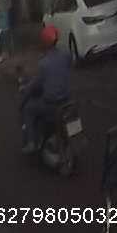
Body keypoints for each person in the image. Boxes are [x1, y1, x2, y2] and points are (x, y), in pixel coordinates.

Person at [19, 24, 71, 154]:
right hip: (67, 101)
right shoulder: (66, 55)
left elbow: (36, 84)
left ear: (45, 42)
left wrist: (26, 90)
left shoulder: (44, 63)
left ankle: (31, 142)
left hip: (52, 105)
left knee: (28, 109)